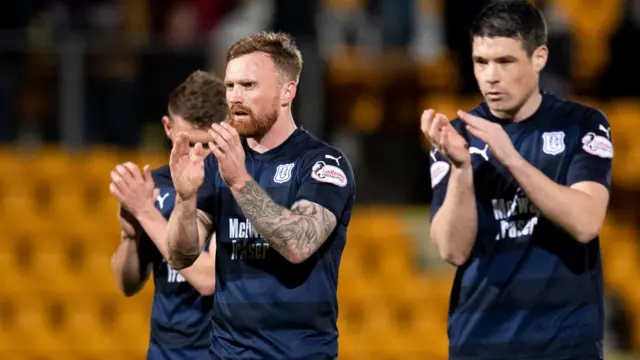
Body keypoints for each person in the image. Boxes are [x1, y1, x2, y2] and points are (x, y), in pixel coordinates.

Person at [421, 1, 613, 360]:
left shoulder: (581, 124)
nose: (491, 76)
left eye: (505, 61)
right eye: (481, 62)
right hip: (480, 344)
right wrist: (461, 169)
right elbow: (452, 249)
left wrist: (510, 157)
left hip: (565, 346)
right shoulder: (456, 136)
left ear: (539, 57)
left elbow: (586, 222)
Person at [164, 32, 356, 360]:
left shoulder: (321, 164)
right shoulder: (217, 164)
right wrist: (184, 199)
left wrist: (239, 180)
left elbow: (297, 244)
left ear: (287, 92)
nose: (235, 97)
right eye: (230, 86)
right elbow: (181, 255)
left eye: (248, 86)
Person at [109, 70, 227, 360]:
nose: (198, 155)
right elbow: (128, 284)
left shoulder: (240, 189)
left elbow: (208, 279)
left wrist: (146, 213)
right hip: (166, 352)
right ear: (168, 127)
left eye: (208, 144)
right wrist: (131, 235)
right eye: (188, 144)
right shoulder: (154, 188)